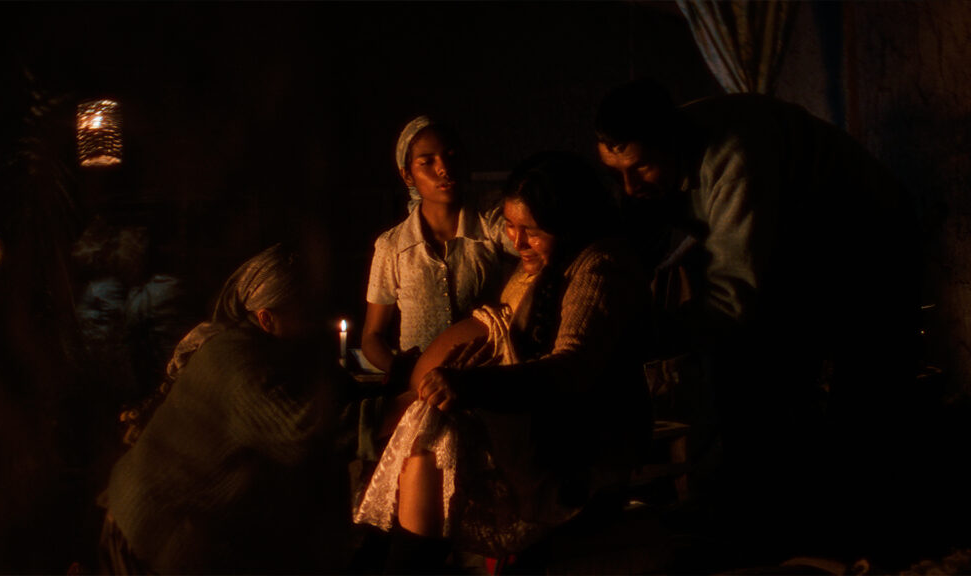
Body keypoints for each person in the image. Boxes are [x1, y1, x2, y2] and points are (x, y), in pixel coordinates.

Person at [594, 79, 924, 561]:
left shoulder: (736, 158)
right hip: (796, 239)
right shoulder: (657, 155)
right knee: (746, 365)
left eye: (640, 167)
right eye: (615, 172)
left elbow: (732, 298)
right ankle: (746, 512)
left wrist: (646, 338)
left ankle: (864, 540)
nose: (629, 186)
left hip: (868, 239)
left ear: (672, 141)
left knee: (861, 392)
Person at [354, 151, 654, 573]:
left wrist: (473, 385)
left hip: (571, 453)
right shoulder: (541, 263)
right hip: (522, 430)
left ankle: (402, 562)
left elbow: (571, 367)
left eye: (531, 230)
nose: (517, 241)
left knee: (433, 439)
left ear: (568, 224)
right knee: (426, 434)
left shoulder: (599, 268)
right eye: (511, 226)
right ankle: (389, 556)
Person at [97, 243, 353, 575]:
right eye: (303, 310)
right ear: (266, 317)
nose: (312, 320)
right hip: (148, 529)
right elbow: (301, 432)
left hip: (157, 522)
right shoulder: (237, 361)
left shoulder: (259, 348)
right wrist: (383, 412)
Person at [362, 115, 515, 380]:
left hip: (484, 382)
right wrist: (405, 373)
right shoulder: (392, 246)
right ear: (407, 175)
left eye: (451, 156)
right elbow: (372, 337)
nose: (444, 168)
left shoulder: (491, 225)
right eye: (427, 162)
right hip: (419, 386)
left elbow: (535, 247)